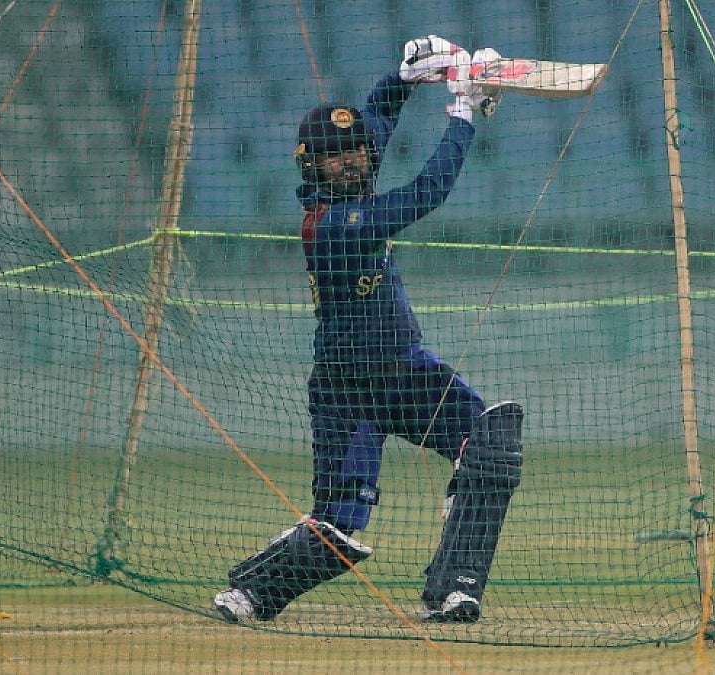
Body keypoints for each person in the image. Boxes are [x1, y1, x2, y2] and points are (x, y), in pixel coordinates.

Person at [214, 36, 524, 624]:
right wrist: (461, 112)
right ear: (312, 164)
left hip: (405, 372)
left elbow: (376, 121)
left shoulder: (352, 180)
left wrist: (404, 79)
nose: (354, 159)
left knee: (491, 444)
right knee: (339, 532)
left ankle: (453, 589)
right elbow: (428, 193)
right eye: (338, 155)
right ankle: (249, 593)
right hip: (347, 391)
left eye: (357, 151)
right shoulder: (335, 224)